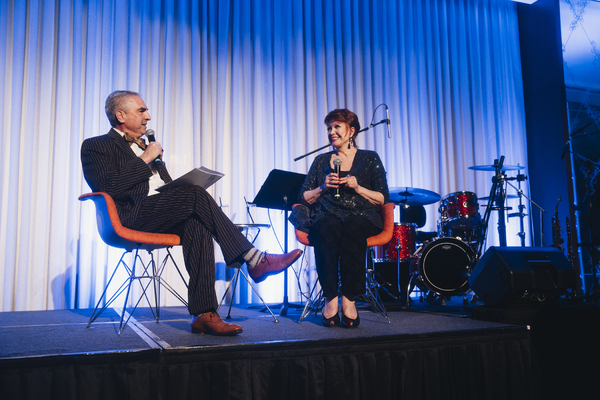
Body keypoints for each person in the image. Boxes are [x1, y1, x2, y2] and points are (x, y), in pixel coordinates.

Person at [81, 90, 302, 336]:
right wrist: (145, 158)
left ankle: (204, 314)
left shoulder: (147, 147)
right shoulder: (95, 145)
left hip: (159, 212)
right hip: (130, 217)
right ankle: (254, 259)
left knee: (196, 222)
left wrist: (171, 180)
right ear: (121, 115)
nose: (149, 117)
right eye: (142, 111)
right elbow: (107, 186)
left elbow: (161, 188)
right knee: (194, 195)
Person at [290, 109, 389, 328]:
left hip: (361, 215)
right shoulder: (320, 161)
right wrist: (323, 187)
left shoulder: (370, 158)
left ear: (351, 131)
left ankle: (350, 299)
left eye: (337, 127)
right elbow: (303, 197)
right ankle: (330, 298)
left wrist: (358, 187)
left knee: (353, 227)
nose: (331, 132)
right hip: (328, 214)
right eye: (329, 128)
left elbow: (383, 198)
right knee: (326, 226)